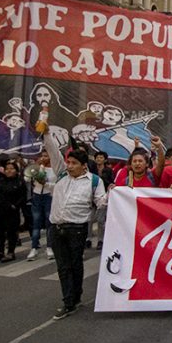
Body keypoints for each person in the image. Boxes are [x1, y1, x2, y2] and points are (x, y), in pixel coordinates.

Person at [45, 137, 107, 320]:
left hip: (77, 230)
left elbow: (101, 202)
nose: (70, 166)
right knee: (63, 266)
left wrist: (114, 193)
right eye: (68, 162)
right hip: (56, 228)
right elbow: (52, 150)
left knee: (75, 264)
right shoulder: (61, 174)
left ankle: (75, 294)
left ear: (83, 165)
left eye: (74, 163)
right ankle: (69, 301)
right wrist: (46, 132)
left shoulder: (94, 181)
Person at [0, 160, 27, 262]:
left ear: (16, 171)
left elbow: (23, 197)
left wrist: (15, 206)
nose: (9, 171)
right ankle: (0, 252)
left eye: (11, 169)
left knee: (11, 232)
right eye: (7, 169)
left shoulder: (20, 182)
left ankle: (11, 252)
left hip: (11, 212)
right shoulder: (0, 179)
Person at [24, 151, 56, 261]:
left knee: (49, 222)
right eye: (42, 156)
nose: (44, 158)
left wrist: (45, 184)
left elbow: (56, 186)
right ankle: (34, 247)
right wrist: (36, 168)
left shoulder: (55, 170)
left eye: (46, 156)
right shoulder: (38, 167)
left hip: (49, 196)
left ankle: (49, 247)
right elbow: (27, 178)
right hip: (37, 196)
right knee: (36, 223)